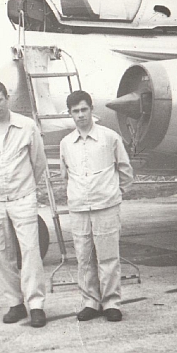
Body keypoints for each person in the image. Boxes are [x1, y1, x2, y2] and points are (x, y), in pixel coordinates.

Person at [0, 81, 48, 328]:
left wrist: (22, 187)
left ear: (8, 98)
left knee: (30, 251)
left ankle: (36, 305)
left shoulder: (27, 126)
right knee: (0, 254)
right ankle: (15, 303)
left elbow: (38, 162)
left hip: (22, 197)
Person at [60, 90, 133, 322]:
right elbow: (65, 176)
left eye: (84, 109)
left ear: (92, 110)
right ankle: (90, 302)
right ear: (70, 114)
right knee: (84, 257)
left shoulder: (110, 137)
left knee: (109, 257)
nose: (80, 115)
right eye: (75, 111)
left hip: (106, 207)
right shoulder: (66, 143)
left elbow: (125, 171)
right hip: (79, 209)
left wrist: (112, 194)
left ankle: (111, 302)